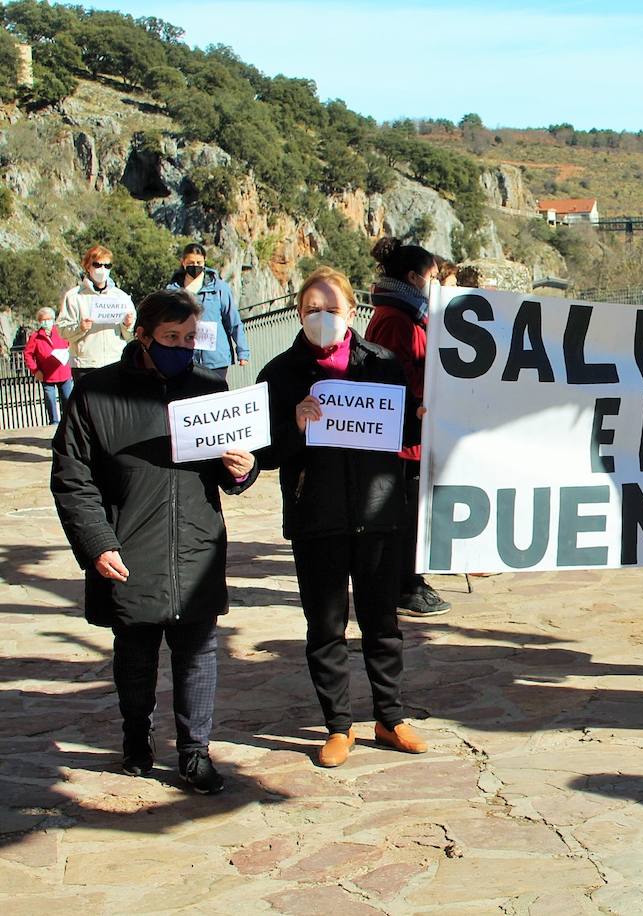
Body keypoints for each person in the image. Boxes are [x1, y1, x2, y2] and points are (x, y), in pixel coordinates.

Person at [50, 289, 258, 794]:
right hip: (128, 546)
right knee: (136, 653)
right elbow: (72, 476)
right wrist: (98, 542)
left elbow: (232, 468)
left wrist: (243, 471)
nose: (182, 347)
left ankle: (195, 754)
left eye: (190, 338)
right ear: (141, 335)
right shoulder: (96, 394)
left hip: (195, 545)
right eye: (171, 337)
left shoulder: (211, 388)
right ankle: (135, 739)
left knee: (198, 652)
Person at [257, 267, 428, 767]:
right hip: (317, 518)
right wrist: (293, 425)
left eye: (332, 308)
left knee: (383, 623)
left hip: (378, 515)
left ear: (351, 312)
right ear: (298, 313)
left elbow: (403, 434)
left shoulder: (382, 364)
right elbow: (265, 454)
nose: (323, 317)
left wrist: (418, 417)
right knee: (326, 627)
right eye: (313, 308)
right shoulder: (280, 374)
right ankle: (337, 726)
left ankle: (390, 717)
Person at [364, 237, 452, 617]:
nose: (435, 283)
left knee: (414, 513)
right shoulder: (396, 319)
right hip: (403, 436)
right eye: (432, 276)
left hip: (412, 431)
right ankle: (405, 584)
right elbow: (393, 376)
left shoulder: (407, 314)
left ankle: (409, 580)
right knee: (405, 516)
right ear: (415, 278)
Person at [167, 243, 249, 379]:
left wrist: (242, 351)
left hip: (215, 359)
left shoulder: (219, 288)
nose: (195, 266)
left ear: (205, 261)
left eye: (199, 262)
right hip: (186, 358)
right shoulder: (172, 292)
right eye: (191, 262)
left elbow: (233, 321)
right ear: (183, 262)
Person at [56, 245, 135, 384]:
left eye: (107, 265)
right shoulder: (74, 296)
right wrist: (80, 327)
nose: (102, 270)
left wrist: (127, 325)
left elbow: (131, 336)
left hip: (115, 362)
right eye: (97, 265)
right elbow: (62, 330)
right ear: (88, 267)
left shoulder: (121, 296)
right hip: (85, 365)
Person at [23, 307, 73, 424]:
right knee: (50, 400)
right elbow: (28, 355)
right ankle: (54, 423)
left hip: (64, 372)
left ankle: (68, 423)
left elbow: (71, 344)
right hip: (46, 375)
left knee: (67, 399)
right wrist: (35, 371)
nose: (46, 322)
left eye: (48, 319)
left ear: (53, 319)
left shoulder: (61, 332)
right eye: (43, 320)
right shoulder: (35, 337)